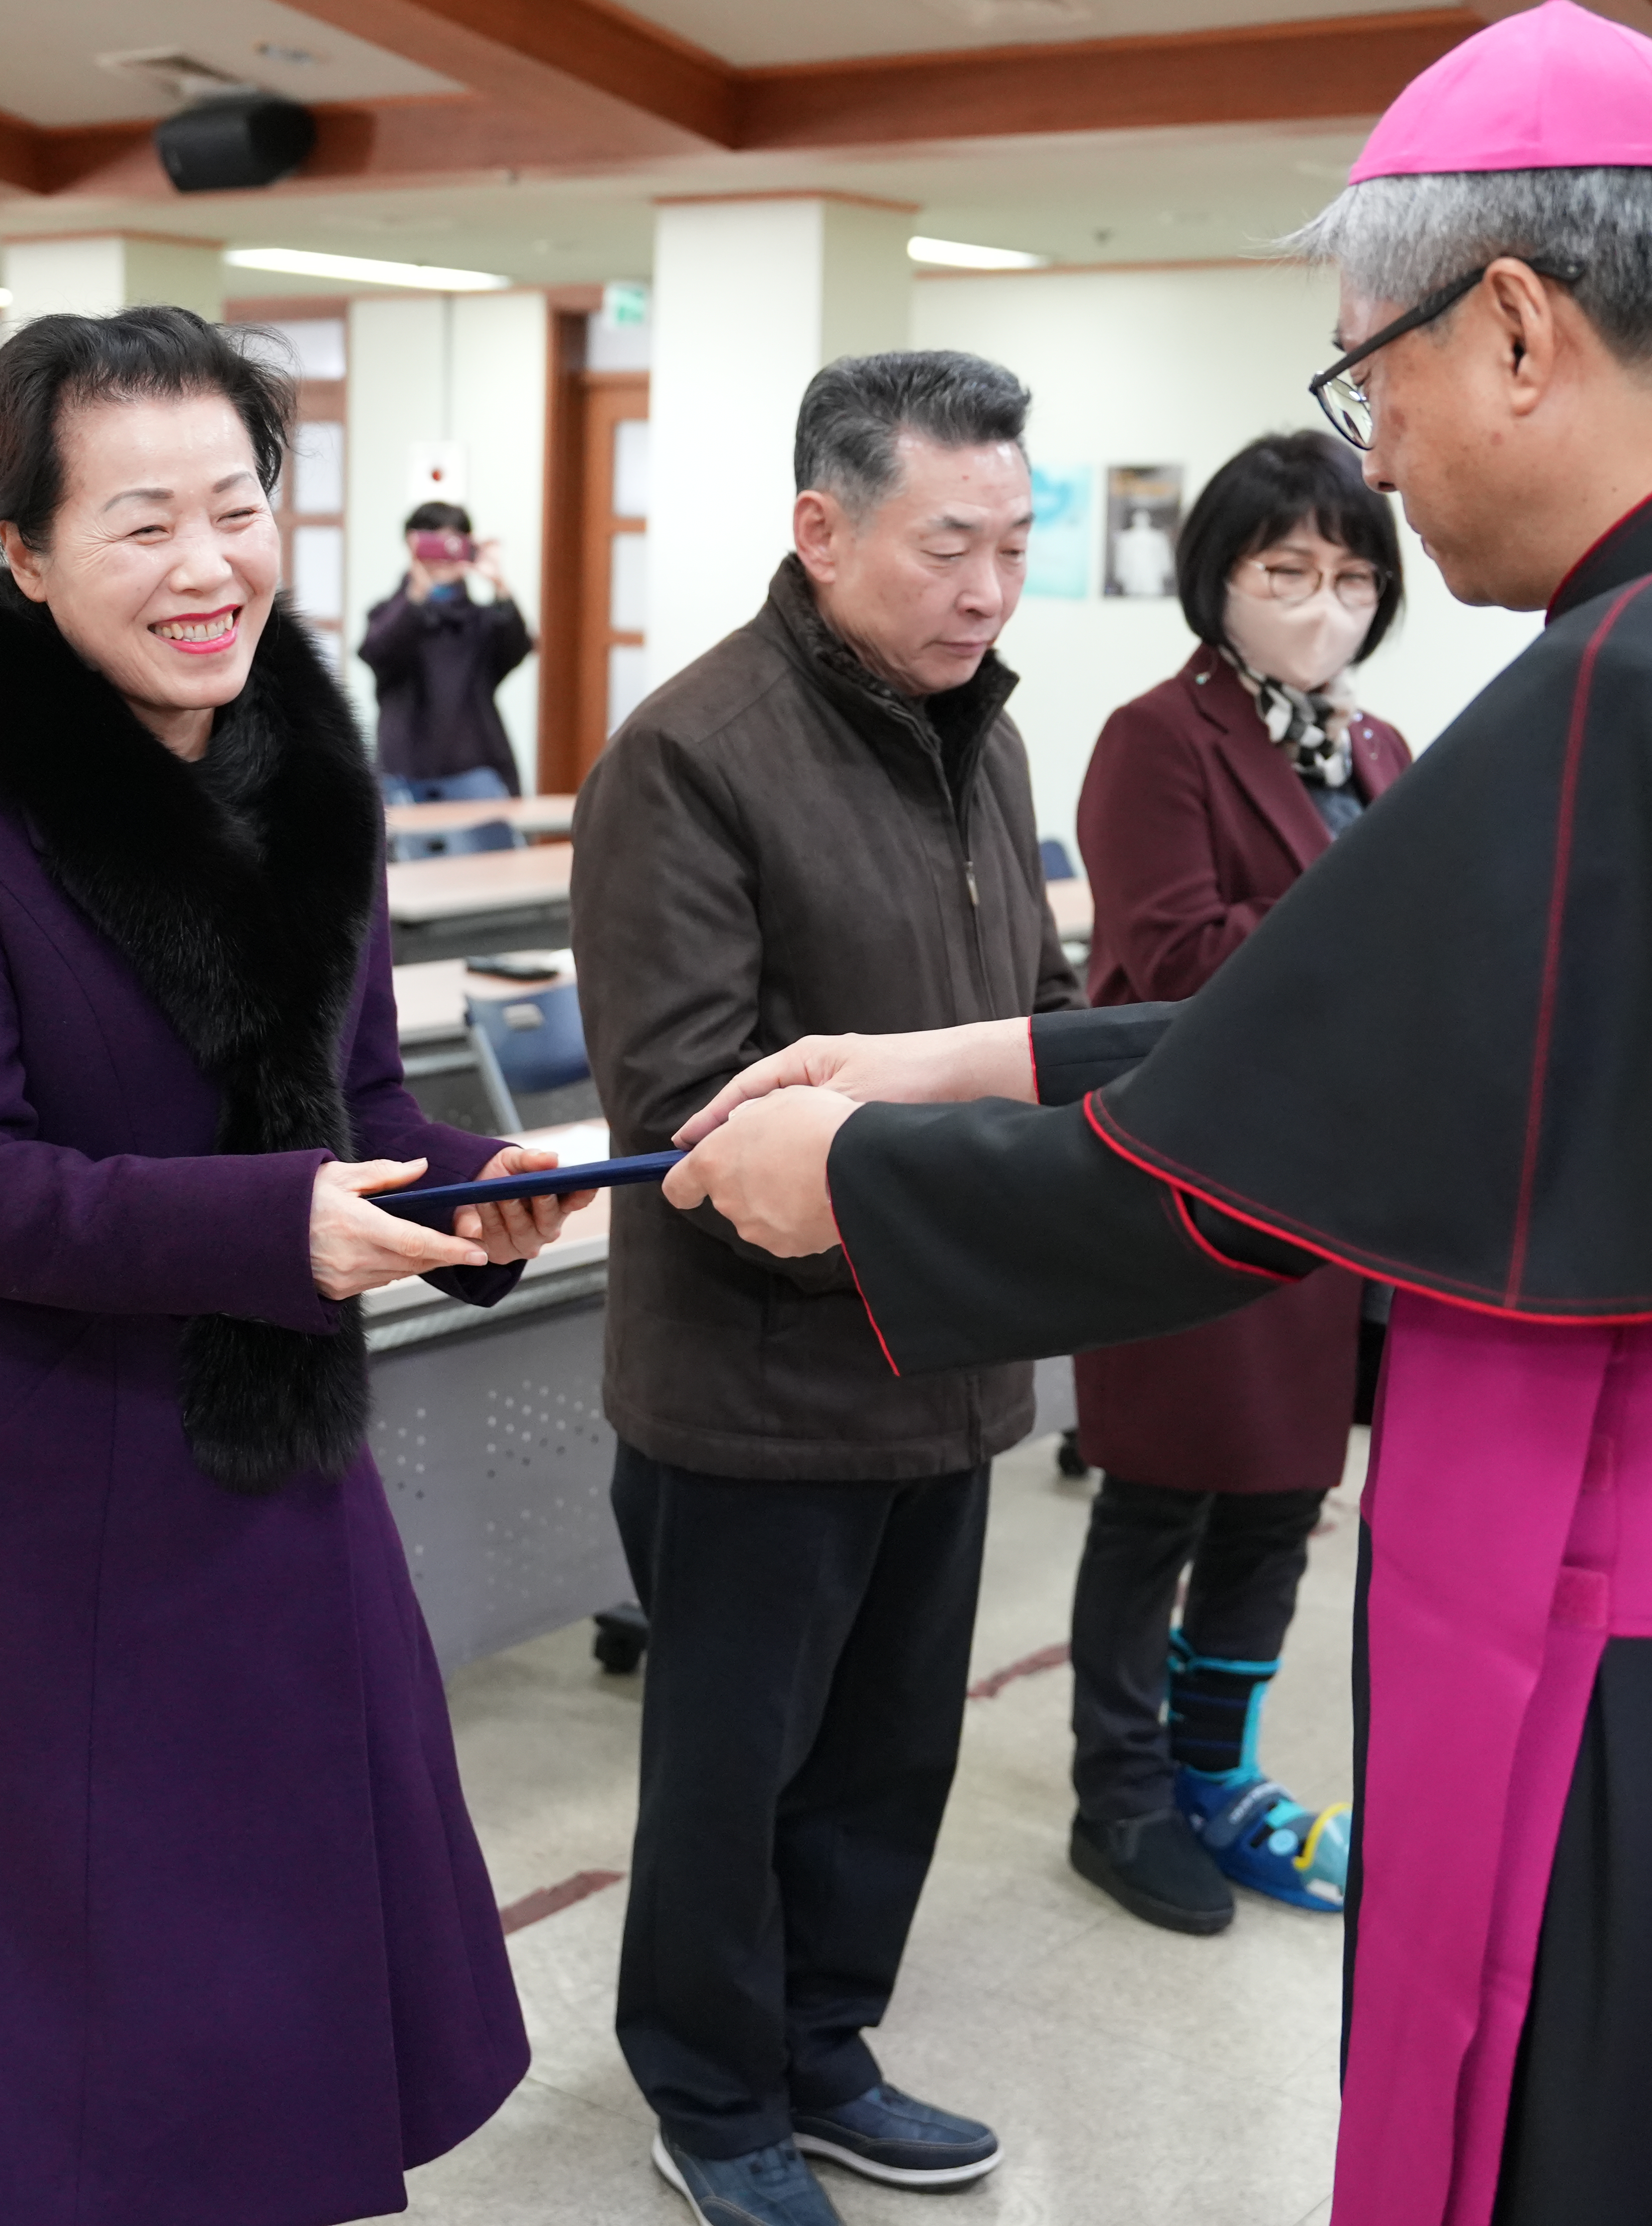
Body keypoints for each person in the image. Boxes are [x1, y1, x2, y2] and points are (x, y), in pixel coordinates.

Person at [660, 0, 1652, 2226]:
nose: (1374, 461)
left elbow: (1243, 1172)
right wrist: (955, 1056)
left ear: (1520, 327)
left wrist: (850, 1176)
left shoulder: (1648, 671)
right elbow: (1369, 1026)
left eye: (1370, 384)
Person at [0, 305, 582, 2226]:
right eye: (140, 519)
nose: (208, 563)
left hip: (280, 1472)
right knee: (66, 2041)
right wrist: (270, 1223)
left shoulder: (317, 777)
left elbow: (363, 1095)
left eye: (236, 506)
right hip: (46, 1491)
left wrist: (482, 1189)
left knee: (273, 2000)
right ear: (30, 553)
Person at [567, 350, 1065, 2226]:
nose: (987, 591)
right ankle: (711, 2087)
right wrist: (992, 1187)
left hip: (942, 1362)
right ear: (822, 526)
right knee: (734, 1775)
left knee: (886, 1756)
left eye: (1014, 546)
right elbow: (687, 1117)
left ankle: (826, 2047)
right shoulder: (693, 755)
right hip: (756, 1385)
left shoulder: (983, 736)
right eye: (951, 546)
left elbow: (1019, 1014)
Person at [1061, 429, 1410, 1936]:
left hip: (1335, 1192)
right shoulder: (1157, 738)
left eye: (1348, 575)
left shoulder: (1375, 748)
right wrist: (1370, 934)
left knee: (1278, 1504)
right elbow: (1174, 959)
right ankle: (1119, 1794)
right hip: (1186, 1189)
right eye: (1285, 571)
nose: (1319, 602)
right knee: (1155, 1505)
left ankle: (1220, 1775)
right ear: (1218, 578)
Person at [359, 500, 531, 800]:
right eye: (431, 543)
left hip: (476, 766)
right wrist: (417, 594)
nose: (443, 555)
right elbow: (376, 652)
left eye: (452, 543)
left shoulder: (484, 621)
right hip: (403, 770)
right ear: (411, 546)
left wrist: (499, 583)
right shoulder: (389, 614)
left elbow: (517, 647)